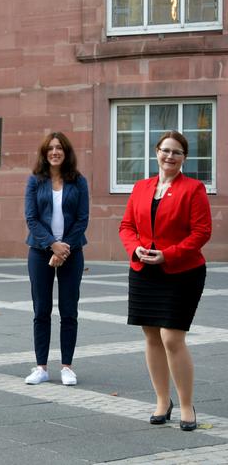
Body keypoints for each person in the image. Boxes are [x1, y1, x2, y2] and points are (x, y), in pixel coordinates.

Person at [119, 131, 211, 431]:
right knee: (151, 336)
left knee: (172, 337)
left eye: (177, 152)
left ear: (184, 158)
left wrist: (167, 255)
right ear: (156, 152)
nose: (169, 157)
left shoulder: (193, 189)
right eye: (165, 151)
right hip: (144, 270)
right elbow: (127, 226)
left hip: (181, 271)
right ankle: (162, 400)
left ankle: (186, 405)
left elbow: (201, 232)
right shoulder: (141, 187)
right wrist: (135, 248)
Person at [23, 132, 89, 386]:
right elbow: (31, 219)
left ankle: (66, 366)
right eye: (50, 148)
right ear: (44, 152)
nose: (54, 152)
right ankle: (41, 367)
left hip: (72, 253)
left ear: (66, 152)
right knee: (41, 310)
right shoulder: (35, 181)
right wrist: (52, 244)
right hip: (40, 252)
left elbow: (82, 219)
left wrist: (64, 248)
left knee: (69, 310)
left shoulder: (78, 181)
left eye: (59, 148)